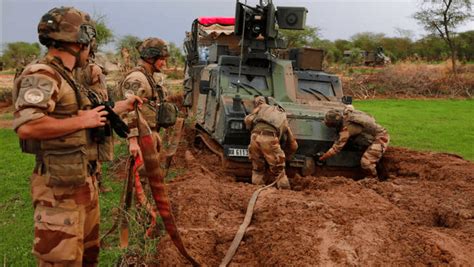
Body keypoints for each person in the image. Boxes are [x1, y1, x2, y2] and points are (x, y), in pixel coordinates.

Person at [12, 7, 141, 265]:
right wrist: (82, 120)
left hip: (83, 182)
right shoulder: (43, 73)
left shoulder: (68, 77)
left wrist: (120, 108)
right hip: (59, 190)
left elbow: (85, 115)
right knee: (62, 261)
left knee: (87, 257)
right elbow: (27, 125)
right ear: (81, 39)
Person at [120, 37, 170, 158]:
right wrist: (133, 141)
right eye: (162, 59)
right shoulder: (136, 78)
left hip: (151, 134)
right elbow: (128, 110)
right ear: (150, 58)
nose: (164, 63)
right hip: (142, 138)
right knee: (142, 174)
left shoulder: (149, 77)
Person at [75, 45, 112, 193]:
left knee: (96, 149)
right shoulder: (89, 68)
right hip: (91, 112)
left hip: (96, 110)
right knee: (92, 150)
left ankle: (96, 180)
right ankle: (94, 181)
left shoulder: (88, 66)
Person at [319, 107, 390, 178]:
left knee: (366, 162)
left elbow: (336, 148)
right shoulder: (347, 114)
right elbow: (349, 107)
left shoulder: (346, 130)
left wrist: (323, 157)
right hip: (372, 135)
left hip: (380, 138)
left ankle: (373, 178)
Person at [244, 96, 298, 189]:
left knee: (257, 169)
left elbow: (247, 121)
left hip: (254, 138)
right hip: (269, 138)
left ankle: (257, 187)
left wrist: (255, 112)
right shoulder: (281, 114)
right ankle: (285, 191)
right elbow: (291, 141)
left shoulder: (260, 109)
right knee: (279, 170)